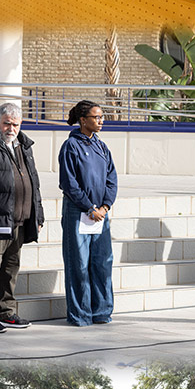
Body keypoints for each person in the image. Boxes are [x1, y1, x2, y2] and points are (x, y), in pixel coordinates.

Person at [0, 102, 44, 332]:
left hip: (20, 219)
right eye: (6, 123)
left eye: (15, 124)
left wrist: (38, 215)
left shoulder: (24, 145)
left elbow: (34, 181)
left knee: (11, 267)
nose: (11, 128)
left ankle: (7, 311)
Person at [58, 100, 118, 326]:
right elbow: (69, 183)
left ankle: (102, 312)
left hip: (100, 214)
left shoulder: (102, 147)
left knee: (102, 262)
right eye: (96, 117)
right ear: (83, 120)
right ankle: (80, 314)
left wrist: (104, 206)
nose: (101, 121)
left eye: (102, 117)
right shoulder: (71, 146)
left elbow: (112, 179)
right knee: (79, 264)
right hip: (79, 212)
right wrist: (89, 207)